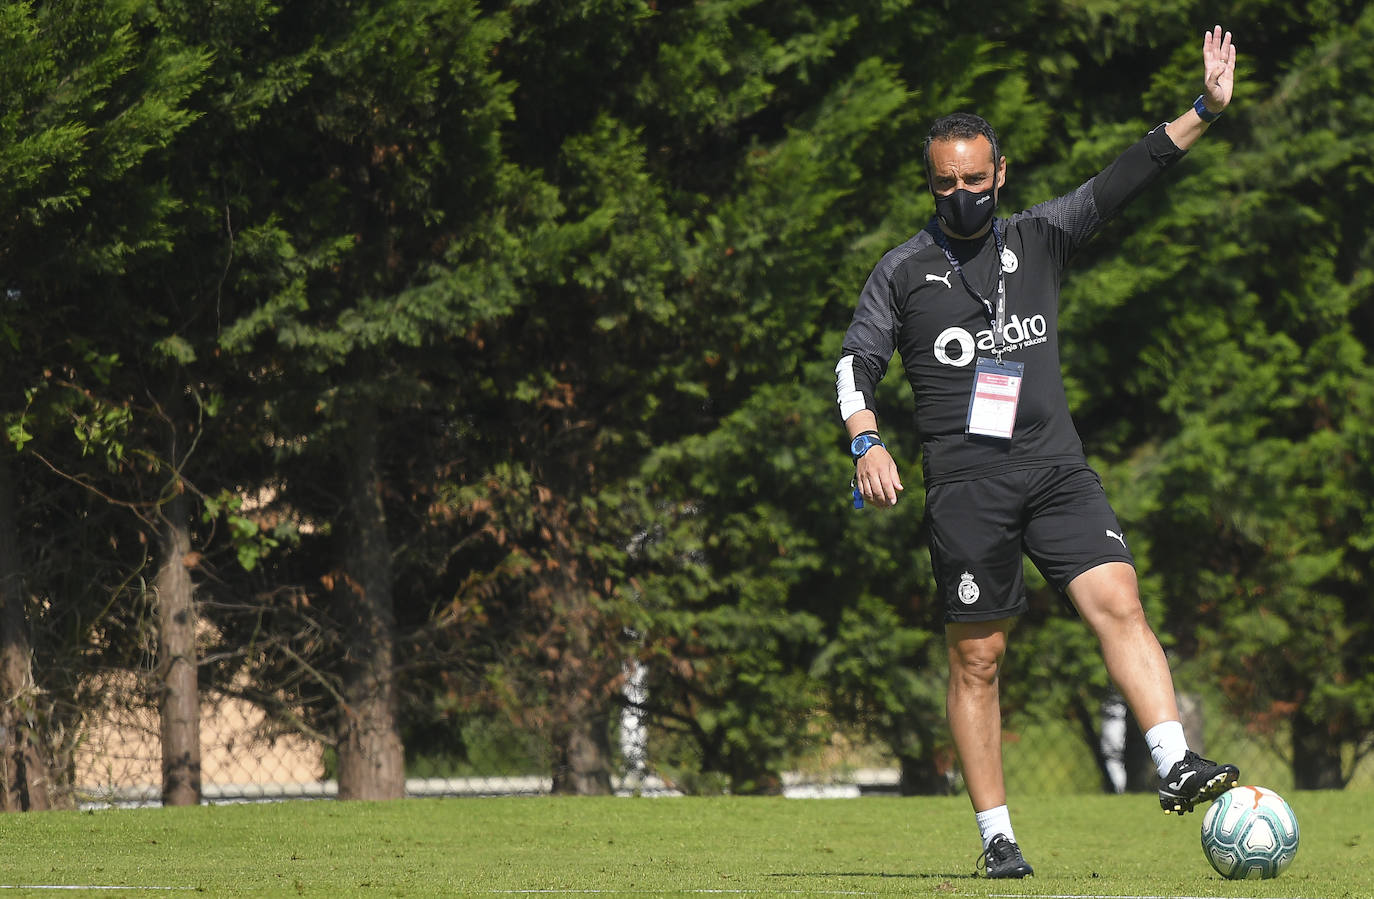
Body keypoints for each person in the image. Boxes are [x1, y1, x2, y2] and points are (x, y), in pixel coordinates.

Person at [834, 27, 1241, 879]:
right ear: (931, 183)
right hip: (967, 485)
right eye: (945, 183)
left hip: (1056, 468)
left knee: (1117, 597)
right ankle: (996, 835)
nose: (961, 196)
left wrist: (1205, 106)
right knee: (978, 656)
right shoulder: (903, 272)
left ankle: (1172, 759)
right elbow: (854, 362)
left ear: (1000, 173)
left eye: (974, 180)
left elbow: (1130, 175)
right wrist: (866, 437)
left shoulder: (1043, 237)